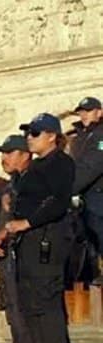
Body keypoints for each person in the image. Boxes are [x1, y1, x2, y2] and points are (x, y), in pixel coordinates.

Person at [0, 113, 74, 343]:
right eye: (29, 134)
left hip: (48, 238)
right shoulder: (36, 167)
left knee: (46, 299)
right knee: (30, 299)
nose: (30, 138)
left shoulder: (60, 163)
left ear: (52, 136)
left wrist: (26, 222)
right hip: (29, 241)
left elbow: (58, 201)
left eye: (35, 133)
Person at [0, 135, 34, 343]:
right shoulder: (10, 185)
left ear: (25, 154)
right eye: (2, 153)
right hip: (9, 256)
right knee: (14, 308)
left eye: (9, 152)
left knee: (29, 308)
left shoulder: (31, 182)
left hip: (28, 254)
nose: (3, 158)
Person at [68, 97, 103, 283]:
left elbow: (94, 164)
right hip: (81, 195)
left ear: (99, 112)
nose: (83, 115)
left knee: (96, 226)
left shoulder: (102, 137)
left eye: (88, 111)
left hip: (97, 193)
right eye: (81, 111)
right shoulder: (79, 137)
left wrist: (68, 188)